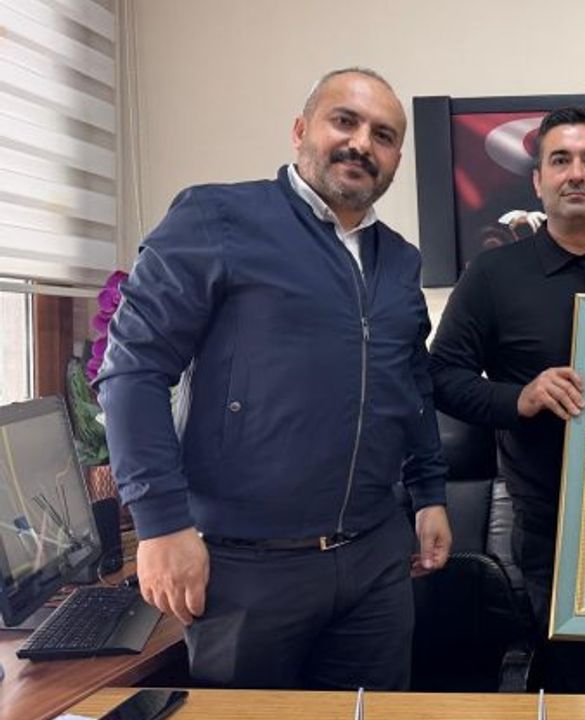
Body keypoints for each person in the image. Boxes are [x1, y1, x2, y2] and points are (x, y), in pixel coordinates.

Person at [95, 67, 452, 690]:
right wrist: (161, 524)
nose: (362, 143)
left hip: (375, 564)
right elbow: (133, 370)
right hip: (247, 570)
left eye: (384, 135)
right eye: (345, 121)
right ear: (300, 130)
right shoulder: (216, 218)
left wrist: (429, 494)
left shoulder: (399, 260)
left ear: (396, 159)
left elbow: (411, 385)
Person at [429, 106, 585, 693]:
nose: (576, 174)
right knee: (575, 691)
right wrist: (520, 397)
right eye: (560, 160)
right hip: (552, 532)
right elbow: (439, 376)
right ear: (538, 180)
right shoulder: (492, 275)